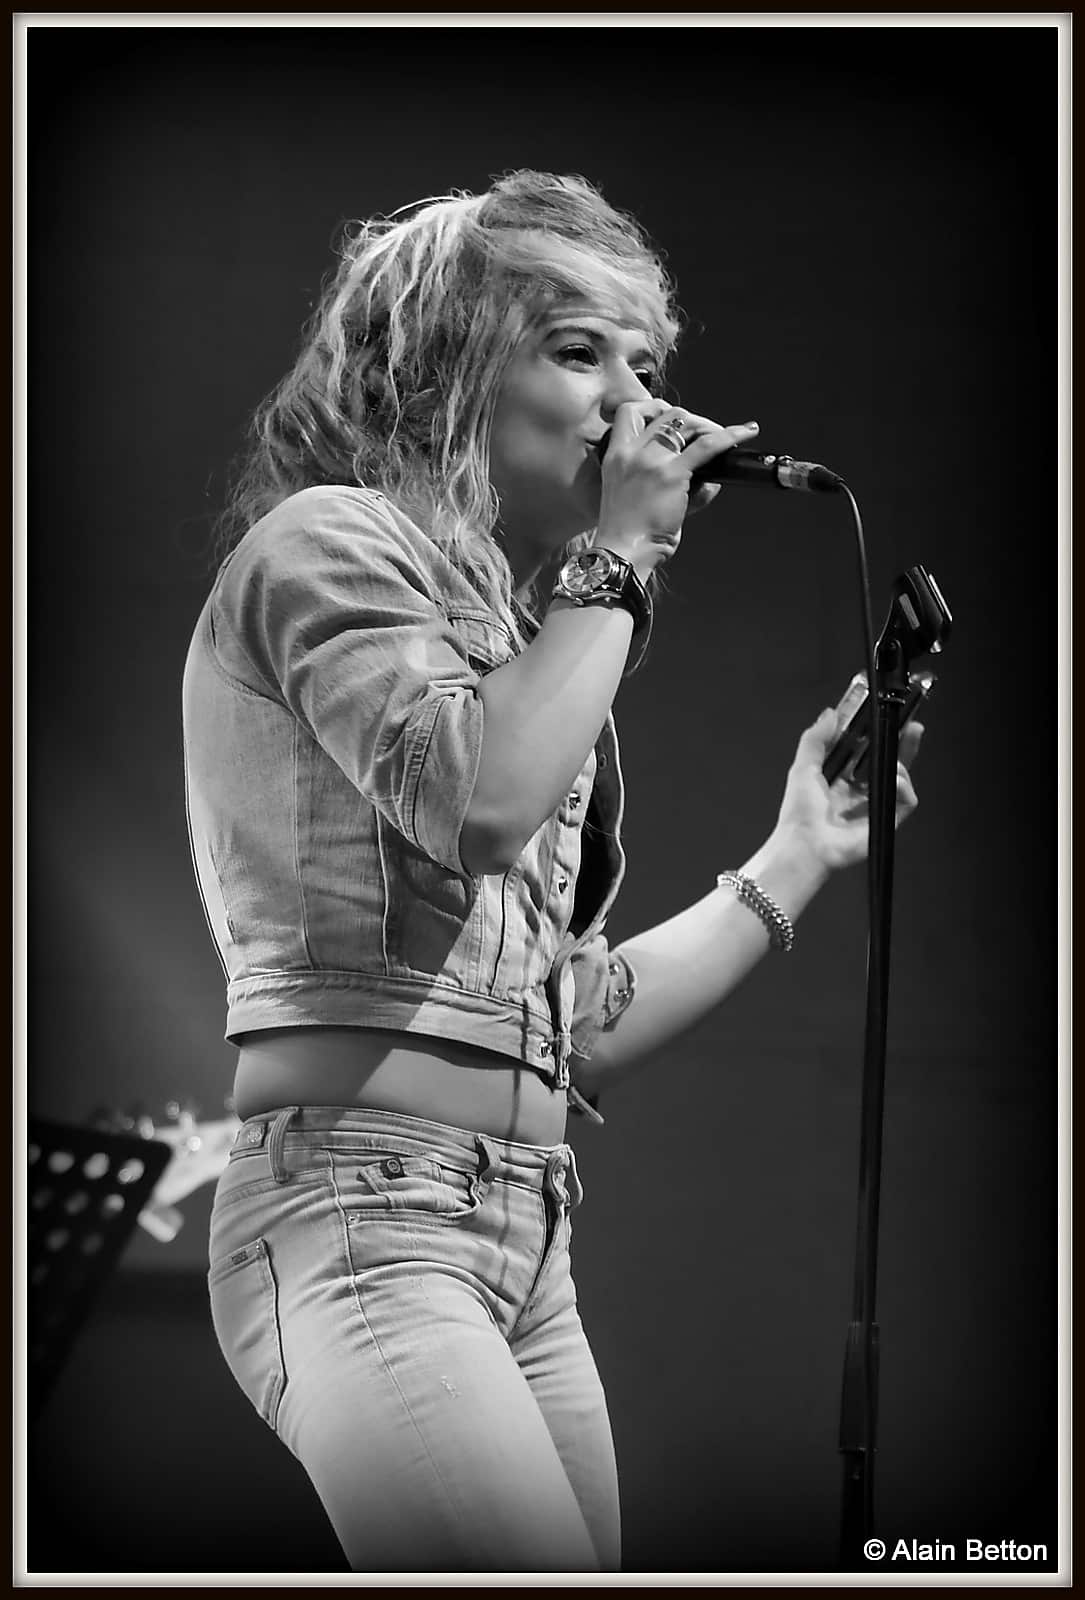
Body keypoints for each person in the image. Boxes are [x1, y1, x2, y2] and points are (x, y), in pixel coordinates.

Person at [182, 170, 920, 1574]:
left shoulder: (526, 648)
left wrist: (798, 850)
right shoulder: (326, 543)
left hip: (527, 1237)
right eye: (579, 354)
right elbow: (479, 804)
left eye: (646, 368)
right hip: (363, 1211)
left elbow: (568, 1027)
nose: (634, 409)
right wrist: (622, 550)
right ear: (446, 374)